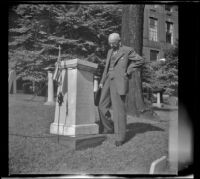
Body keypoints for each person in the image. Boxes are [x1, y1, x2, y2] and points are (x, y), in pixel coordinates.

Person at [98, 33, 144, 146]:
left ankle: (120, 137)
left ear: (119, 41)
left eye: (113, 43)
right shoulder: (109, 52)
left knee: (119, 110)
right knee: (101, 105)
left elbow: (140, 60)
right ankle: (109, 127)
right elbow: (107, 68)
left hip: (119, 81)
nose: (111, 45)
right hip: (108, 79)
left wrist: (128, 71)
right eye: (110, 43)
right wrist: (102, 81)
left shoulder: (127, 50)